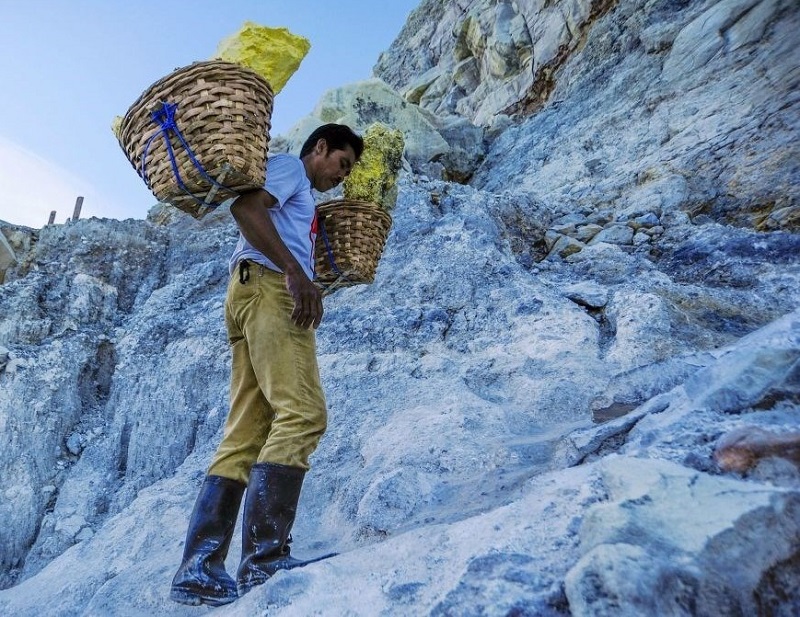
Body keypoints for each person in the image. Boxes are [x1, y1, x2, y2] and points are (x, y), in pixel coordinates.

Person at [170, 123, 364, 607]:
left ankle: (199, 570)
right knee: (303, 413)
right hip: (268, 288)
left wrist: (310, 272)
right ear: (320, 148)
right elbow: (245, 207)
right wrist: (296, 274)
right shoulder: (289, 169)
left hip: (248, 290)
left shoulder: (301, 194)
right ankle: (265, 560)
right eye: (341, 164)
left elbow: (273, 227)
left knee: (247, 431)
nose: (340, 177)